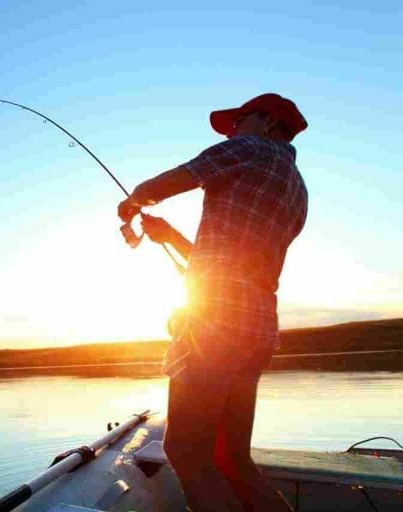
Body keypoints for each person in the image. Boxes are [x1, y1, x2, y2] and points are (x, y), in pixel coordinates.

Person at [118, 93, 309, 512]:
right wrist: (171, 237)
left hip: (215, 325)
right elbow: (233, 264)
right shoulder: (298, 189)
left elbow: (162, 186)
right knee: (232, 458)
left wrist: (133, 201)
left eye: (238, 122)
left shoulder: (248, 148)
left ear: (265, 121)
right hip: (257, 328)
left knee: (186, 452)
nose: (231, 133)